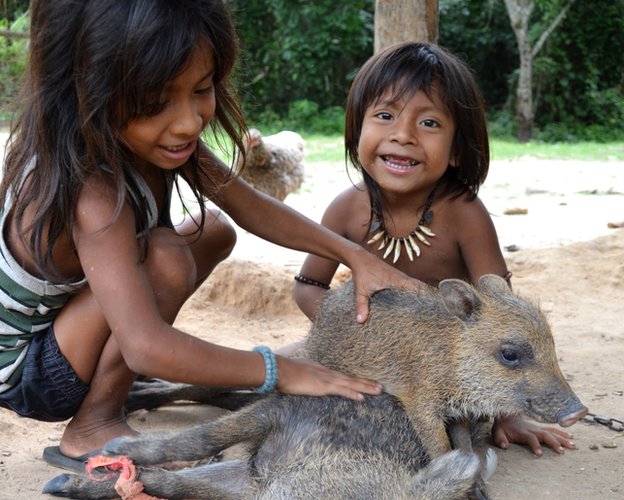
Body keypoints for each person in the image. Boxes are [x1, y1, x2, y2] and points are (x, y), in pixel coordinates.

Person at [0, 0, 419, 468]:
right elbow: (145, 344)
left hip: (66, 333)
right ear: (88, 91)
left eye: (201, 89)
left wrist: (353, 255)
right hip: (28, 371)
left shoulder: (150, 139)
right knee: (167, 256)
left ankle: (112, 380)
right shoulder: (92, 191)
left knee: (213, 231)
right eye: (156, 103)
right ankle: (93, 423)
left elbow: (251, 208)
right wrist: (283, 372)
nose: (188, 121)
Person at [293, 42, 576, 457]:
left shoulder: (464, 214)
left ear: (458, 147)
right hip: (371, 358)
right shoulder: (347, 208)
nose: (403, 135)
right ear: (357, 130)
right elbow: (307, 285)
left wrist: (510, 413)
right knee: (274, 368)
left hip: (449, 372)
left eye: (428, 122)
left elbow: (504, 321)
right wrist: (360, 338)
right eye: (385, 116)